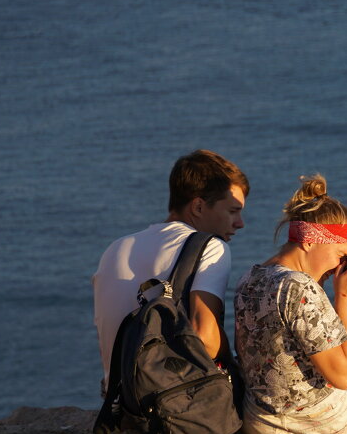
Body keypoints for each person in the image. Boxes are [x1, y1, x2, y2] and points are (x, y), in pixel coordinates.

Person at [233, 175, 347, 434]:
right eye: (340, 256)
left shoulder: (252, 277)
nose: (341, 268)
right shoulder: (300, 287)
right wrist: (344, 298)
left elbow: (324, 349)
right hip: (313, 427)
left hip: (260, 420)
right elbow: (342, 376)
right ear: (309, 241)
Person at [92, 149, 248, 387]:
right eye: (232, 211)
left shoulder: (115, 248)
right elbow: (206, 340)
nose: (240, 223)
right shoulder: (209, 247)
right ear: (197, 207)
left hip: (119, 405)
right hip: (175, 406)